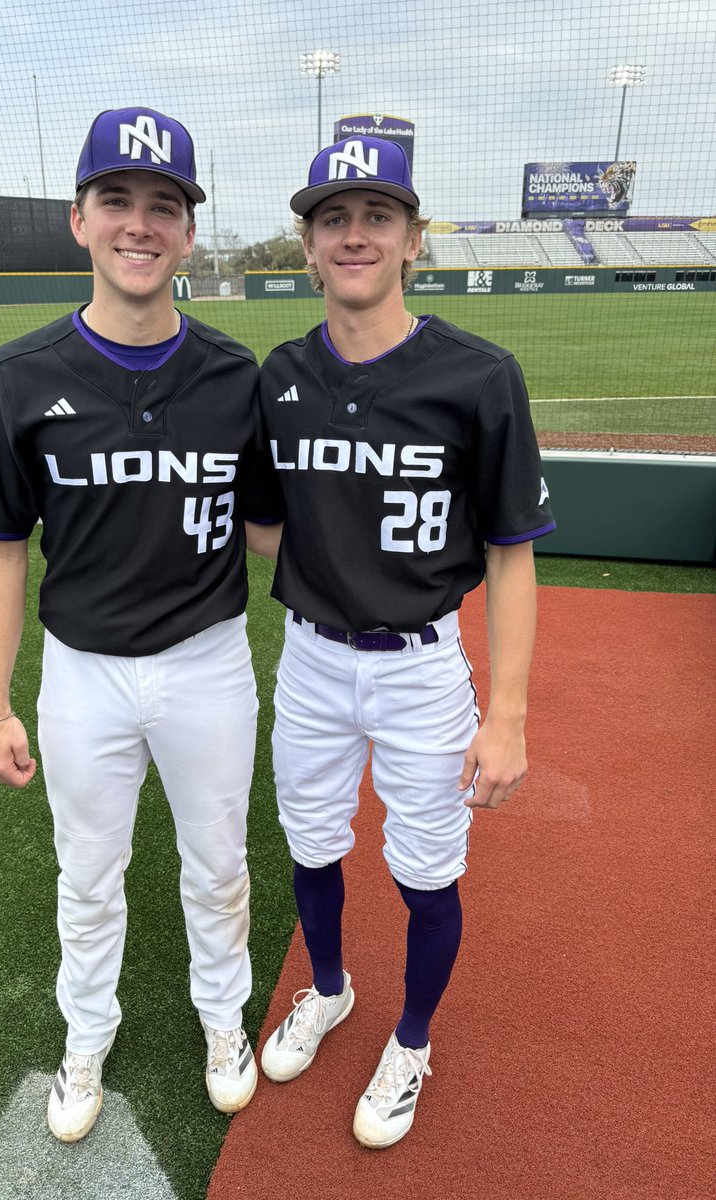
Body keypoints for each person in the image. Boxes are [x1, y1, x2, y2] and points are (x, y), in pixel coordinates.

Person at [0, 106, 273, 1143]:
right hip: (83, 671)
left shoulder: (235, 376)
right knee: (87, 874)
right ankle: (87, 1033)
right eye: (119, 201)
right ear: (80, 218)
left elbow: (272, 530)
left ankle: (224, 1020)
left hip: (208, 662)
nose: (142, 224)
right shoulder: (21, 373)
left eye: (164, 206)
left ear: (187, 231)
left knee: (218, 863)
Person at [255, 135, 556, 1149]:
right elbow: (264, 522)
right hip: (309, 658)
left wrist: (506, 716)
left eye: (376, 215)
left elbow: (512, 556)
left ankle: (412, 1040)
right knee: (312, 844)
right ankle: (331, 990)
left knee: (427, 869)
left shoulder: (479, 374)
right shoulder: (282, 374)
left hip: (424, 666)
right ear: (306, 243)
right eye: (333, 216)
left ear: (413, 239)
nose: (354, 233)